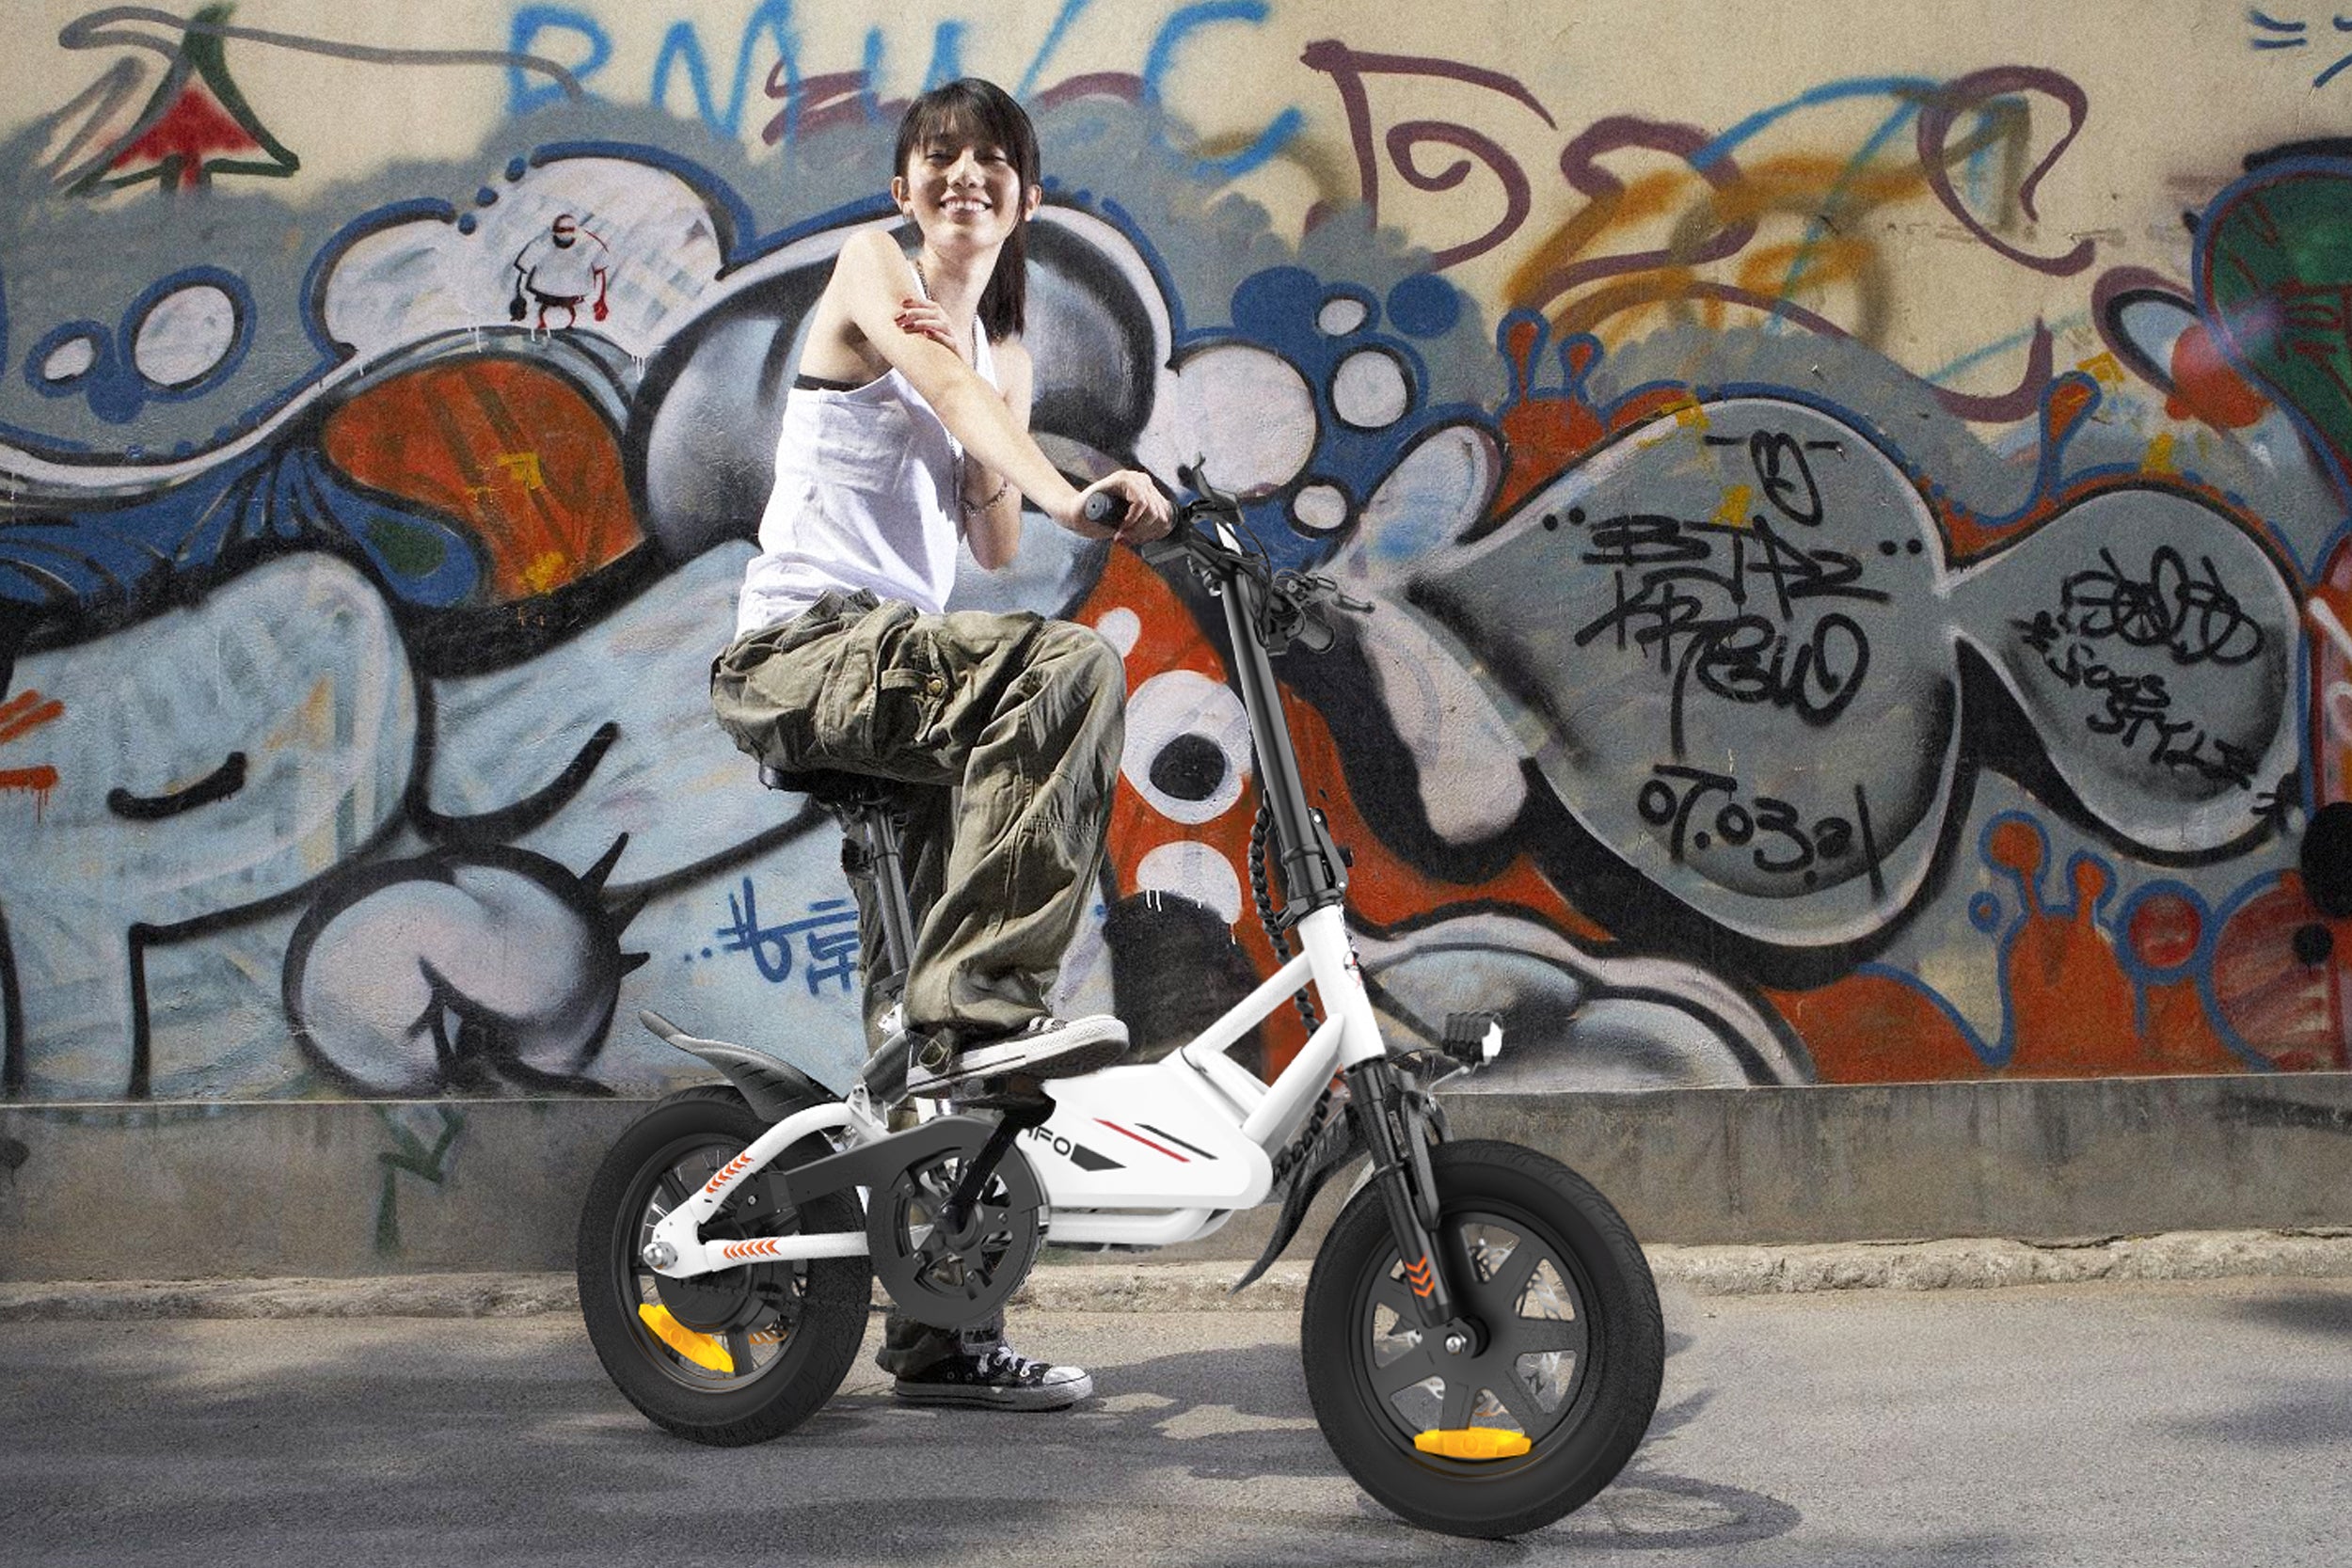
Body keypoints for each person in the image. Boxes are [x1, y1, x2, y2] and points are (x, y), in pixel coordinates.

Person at [709, 78, 1172, 1410]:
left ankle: (942, 1336)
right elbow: (954, 394)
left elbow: (991, 538)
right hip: (804, 653)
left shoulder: (1004, 358)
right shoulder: (874, 269)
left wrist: (1020, 471)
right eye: (940, 158)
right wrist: (1068, 488)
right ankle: (986, 1007)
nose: (964, 177)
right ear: (904, 188)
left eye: (991, 163)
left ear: (1027, 199)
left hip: (890, 685)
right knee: (1068, 666)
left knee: (914, 1039)